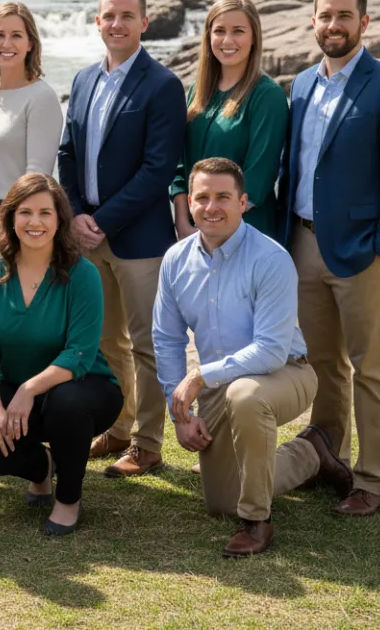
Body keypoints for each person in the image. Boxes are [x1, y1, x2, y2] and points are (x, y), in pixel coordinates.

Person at [154, 158, 353, 557]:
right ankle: (313, 451)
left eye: (223, 197)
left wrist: (198, 378)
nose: (212, 207)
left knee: (246, 396)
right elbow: (166, 337)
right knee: (220, 502)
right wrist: (180, 413)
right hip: (217, 383)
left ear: (243, 202)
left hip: (285, 373)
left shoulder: (270, 258)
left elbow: (271, 349)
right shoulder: (175, 260)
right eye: (202, 197)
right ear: (188, 203)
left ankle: (257, 521)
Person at [279, 0, 380, 517]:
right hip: (304, 244)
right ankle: (329, 457)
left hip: (365, 252)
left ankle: (373, 480)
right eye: (325, 16)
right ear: (312, 22)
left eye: (344, 16)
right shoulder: (299, 86)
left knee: (373, 368)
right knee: (321, 364)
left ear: (364, 23)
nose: (333, 25)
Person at [57, 0, 187, 478]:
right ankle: (117, 427)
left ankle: (148, 443)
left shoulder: (162, 85)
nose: (117, 24)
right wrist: (74, 214)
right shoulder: (86, 79)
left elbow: (157, 170)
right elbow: (68, 152)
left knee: (148, 342)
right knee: (106, 341)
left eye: (127, 16)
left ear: (144, 23)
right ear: (97, 21)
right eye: (109, 16)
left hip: (139, 239)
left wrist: (103, 221)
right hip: (88, 234)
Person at [0, 174, 123, 536]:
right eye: (25, 212)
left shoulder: (82, 273)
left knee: (66, 403)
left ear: (59, 220)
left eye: (44, 213)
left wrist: (27, 390)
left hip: (85, 388)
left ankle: (69, 499)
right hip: (19, 388)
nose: (34, 222)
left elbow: (80, 353)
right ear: (9, 218)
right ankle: (43, 468)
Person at [0, 2, 63, 285]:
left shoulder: (42, 97)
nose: (7, 43)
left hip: (22, 222)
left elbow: (36, 176)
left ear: (31, 43)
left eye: (17, 35)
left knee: (16, 317)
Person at [171, 0, 288, 241]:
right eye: (219, 31)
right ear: (208, 36)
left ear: (254, 37)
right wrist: (182, 221)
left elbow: (258, 179)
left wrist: (210, 228)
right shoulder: (198, 91)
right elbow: (179, 165)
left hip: (245, 235)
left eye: (238, 31)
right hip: (193, 233)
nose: (227, 40)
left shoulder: (268, 96)